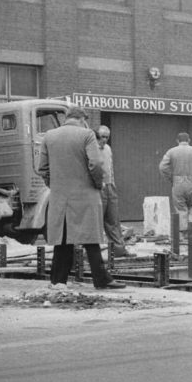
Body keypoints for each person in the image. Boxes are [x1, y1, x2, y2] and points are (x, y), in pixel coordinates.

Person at [38, 105, 126, 290]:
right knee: (91, 239)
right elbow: (96, 164)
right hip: (86, 195)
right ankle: (102, 280)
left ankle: (58, 280)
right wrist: (96, 184)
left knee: (62, 240)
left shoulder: (49, 136)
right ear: (81, 119)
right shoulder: (87, 135)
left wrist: (55, 186)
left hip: (60, 196)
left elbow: (43, 169)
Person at [96, 125, 132, 257]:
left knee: (113, 219)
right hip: (98, 187)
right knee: (97, 220)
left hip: (110, 186)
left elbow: (110, 168)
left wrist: (113, 184)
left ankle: (118, 249)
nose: (104, 140)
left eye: (106, 137)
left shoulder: (108, 149)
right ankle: (94, 253)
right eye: (101, 137)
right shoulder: (91, 149)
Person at [159, 132, 192, 230]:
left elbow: (162, 167)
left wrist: (171, 178)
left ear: (177, 141)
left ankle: (183, 235)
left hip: (178, 184)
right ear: (189, 140)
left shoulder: (171, 152)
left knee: (181, 210)